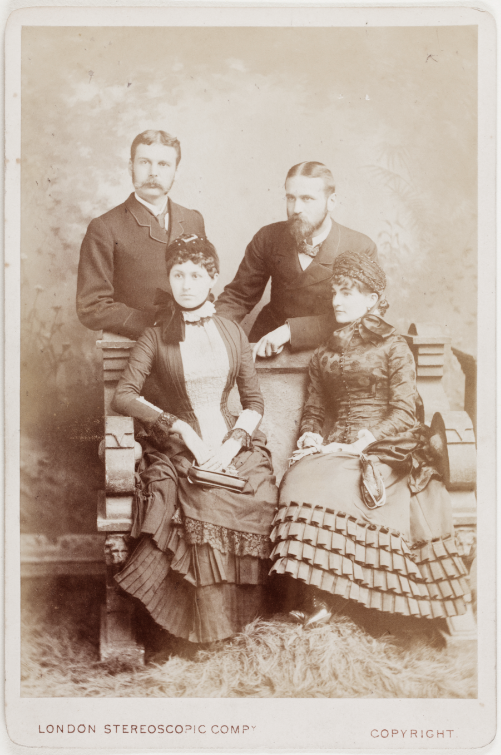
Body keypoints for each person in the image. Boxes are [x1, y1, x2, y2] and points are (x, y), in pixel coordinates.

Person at [269, 251, 470, 626]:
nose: (337, 301)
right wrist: (311, 435)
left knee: (332, 486)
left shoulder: (394, 347)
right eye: (335, 292)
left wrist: (363, 442)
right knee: (298, 480)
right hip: (334, 446)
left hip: (384, 448)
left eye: (349, 293)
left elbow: (405, 413)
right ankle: (318, 598)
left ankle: (348, 601)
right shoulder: (324, 353)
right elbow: (313, 409)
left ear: (373, 299)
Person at [111, 234, 278, 644]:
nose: (186, 284)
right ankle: (208, 629)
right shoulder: (155, 335)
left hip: (232, 443)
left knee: (260, 497)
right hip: (180, 447)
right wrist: (180, 428)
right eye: (178, 274)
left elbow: (254, 401)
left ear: (212, 279)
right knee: (203, 498)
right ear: (169, 279)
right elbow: (124, 396)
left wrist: (233, 442)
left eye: (196, 275)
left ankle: (248, 623)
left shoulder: (232, 332)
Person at [215, 161, 378, 357]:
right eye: (290, 198)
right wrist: (211, 330)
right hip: (268, 344)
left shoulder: (360, 246)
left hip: (331, 347)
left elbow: (368, 315)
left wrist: (291, 330)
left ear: (331, 201)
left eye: (307, 199)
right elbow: (238, 296)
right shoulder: (268, 237)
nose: (296, 208)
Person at [76, 130, 205, 340]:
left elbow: (204, 283)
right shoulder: (105, 227)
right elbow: (92, 306)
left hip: (191, 341)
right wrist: (152, 324)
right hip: (133, 344)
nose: (153, 172)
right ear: (131, 167)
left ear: (176, 171)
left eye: (163, 164)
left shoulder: (193, 220)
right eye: (145, 162)